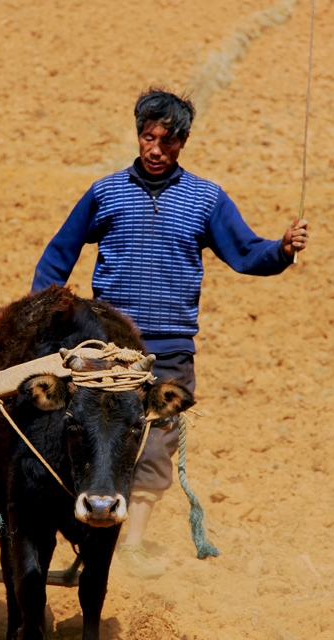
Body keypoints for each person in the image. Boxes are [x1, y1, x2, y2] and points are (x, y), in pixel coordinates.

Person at [31, 87, 309, 578]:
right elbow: (59, 251)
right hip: (108, 347)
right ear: (137, 135)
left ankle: (131, 543)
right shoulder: (106, 191)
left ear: (182, 142)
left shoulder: (206, 198)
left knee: (157, 441)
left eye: (166, 140)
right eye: (147, 136)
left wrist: (282, 250)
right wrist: (43, 309)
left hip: (170, 347)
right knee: (96, 436)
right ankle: (84, 529)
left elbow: (246, 254)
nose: (154, 149)